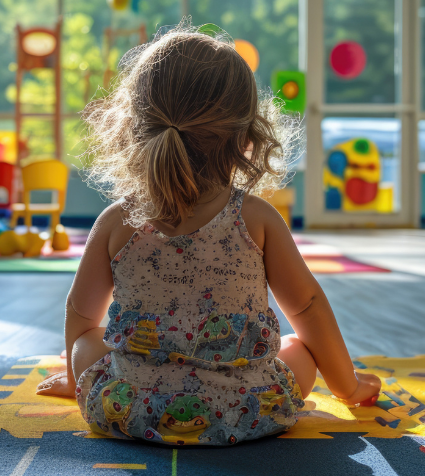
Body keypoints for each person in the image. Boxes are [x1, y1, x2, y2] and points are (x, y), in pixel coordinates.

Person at [35, 27, 381, 445]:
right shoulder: (255, 218)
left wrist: (78, 377)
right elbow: (307, 307)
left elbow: (80, 312)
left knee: (89, 342)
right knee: (299, 347)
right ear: (246, 137)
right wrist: (349, 388)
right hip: (249, 411)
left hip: (129, 409)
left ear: (132, 125)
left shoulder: (116, 221)